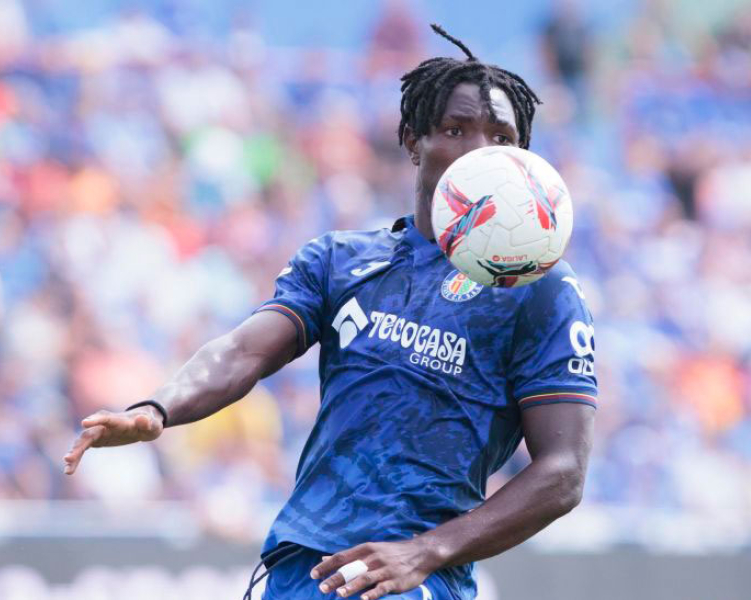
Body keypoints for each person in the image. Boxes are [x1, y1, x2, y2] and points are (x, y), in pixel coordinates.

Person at [64, 24, 597, 600]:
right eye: (455, 129)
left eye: (500, 137)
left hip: (408, 579)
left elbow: (562, 471)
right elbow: (243, 350)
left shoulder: (539, 290)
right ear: (413, 140)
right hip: (297, 567)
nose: (478, 151)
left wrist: (427, 550)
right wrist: (157, 408)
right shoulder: (341, 260)